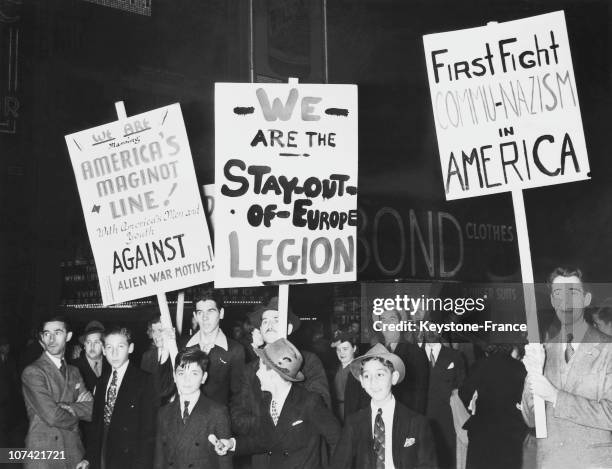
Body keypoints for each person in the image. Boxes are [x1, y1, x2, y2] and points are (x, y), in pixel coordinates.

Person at [521, 267, 612, 469]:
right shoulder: (544, 350)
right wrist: (531, 374)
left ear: (587, 299)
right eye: (559, 294)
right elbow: (532, 420)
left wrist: (555, 396)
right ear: (553, 301)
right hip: (551, 462)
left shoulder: (608, 348)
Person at [214, 338, 341, 469]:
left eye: (260, 368)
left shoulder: (309, 401)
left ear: (274, 373)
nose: (257, 373)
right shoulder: (266, 403)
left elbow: (338, 440)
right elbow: (264, 440)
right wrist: (231, 443)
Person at [231, 296, 331, 437]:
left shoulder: (308, 362)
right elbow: (237, 414)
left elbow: (322, 408)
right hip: (262, 452)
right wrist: (265, 427)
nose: (269, 325)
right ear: (260, 329)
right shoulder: (250, 370)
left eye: (276, 320)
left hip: (301, 452)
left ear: (289, 328)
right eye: (265, 321)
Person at [330, 343, 437, 469]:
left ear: (394, 378)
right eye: (366, 376)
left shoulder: (416, 422)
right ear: (362, 381)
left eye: (380, 374)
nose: (373, 381)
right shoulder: (354, 423)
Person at [21, 316, 93, 469]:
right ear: (42, 337)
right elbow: (52, 416)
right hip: (43, 456)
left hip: (73, 454)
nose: (51, 339)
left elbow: (92, 409)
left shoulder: (74, 372)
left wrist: (68, 406)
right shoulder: (33, 372)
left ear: (68, 336)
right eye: (47, 334)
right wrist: (76, 418)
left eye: (57, 332)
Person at [86, 326, 157, 469]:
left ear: (130, 348)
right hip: (104, 451)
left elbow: (148, 432)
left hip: (130, 457)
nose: (114, 353)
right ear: (104, 350)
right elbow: (96, 426)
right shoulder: (101, 382)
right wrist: (89, 458)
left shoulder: (144, 381)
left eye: (120, 346)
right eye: (109, 347)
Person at [154, 348, 232, 469]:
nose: (186, 379)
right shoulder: (164, 412)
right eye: (181, 373)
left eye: (194, 373)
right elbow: (159, 460)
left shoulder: (217, 412)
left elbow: (225, 462)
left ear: (204, 377)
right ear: (174, 376)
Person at [459, 344, 528, 469]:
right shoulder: (519, 367)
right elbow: (525, 400)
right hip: (509, 434)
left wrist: (473, 408)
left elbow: (463, 392)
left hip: (481, 431)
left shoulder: (480, 364)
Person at [181, 289, 245, 407]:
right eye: (200, 312)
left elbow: (239, 396)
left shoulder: (235, 350)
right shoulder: (184, 346)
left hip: (218, 421)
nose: (205, 318)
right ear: (195, 315)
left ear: (221, 313)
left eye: (210, 311)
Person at [418, 319, 466, 469]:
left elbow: (463, 388)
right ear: (422, 331)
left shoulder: (455, 356)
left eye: (435, 328)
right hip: (421, 417)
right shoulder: (414, 355)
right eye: (427, 328)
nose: (431, 332)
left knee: (447, 459)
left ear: (441, 331)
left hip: (447, 419)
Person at [330, 329, 368, 422]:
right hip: (335, 413)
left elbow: (364, 402)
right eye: (338, 349)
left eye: (345, 349)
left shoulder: (360, 370)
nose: (341, 353)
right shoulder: (334, 369)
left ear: (354, 348)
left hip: (352, 414)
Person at [140, 315, 176, 405]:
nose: (156, 335)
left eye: (160, 330)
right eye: (153, 331)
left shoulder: (179, 353)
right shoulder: (147, 357)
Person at [73, 321, 109, 395]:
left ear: (103, 345)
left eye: (96, 342)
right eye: (88, 342)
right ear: (84, 345)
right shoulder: (73, 367)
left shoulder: (111, 364)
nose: (92, 347)